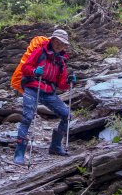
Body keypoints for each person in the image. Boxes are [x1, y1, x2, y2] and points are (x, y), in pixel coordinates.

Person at [14, 29, 76, 165]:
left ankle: (55, 146)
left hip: (48, 92)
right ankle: (19, 154)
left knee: (66, 115)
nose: (60, 46)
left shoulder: (61, 60)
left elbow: (62, 85)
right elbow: (26, 68)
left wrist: (69, 81)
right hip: (32, 88)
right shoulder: (39, 52)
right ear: (53, 40)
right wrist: (34, 71)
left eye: (63, 44)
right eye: (58, 42)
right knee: (27, 118)